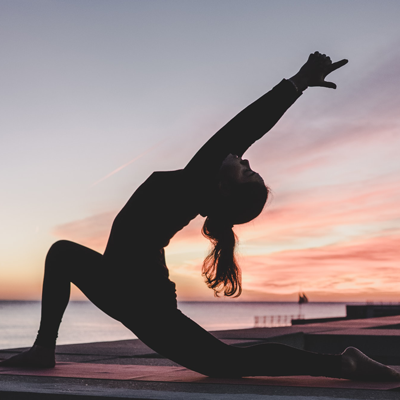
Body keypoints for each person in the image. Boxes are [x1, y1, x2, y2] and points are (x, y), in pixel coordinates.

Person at [1, 52, 399, 381]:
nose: (243, 158)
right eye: (247, 165)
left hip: (140, 297)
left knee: (225, 364)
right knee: (62, 254)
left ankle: (344, 363)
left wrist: (296, 83)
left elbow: (245, 127)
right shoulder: (197, 187)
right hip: (122, 283)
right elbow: (242, 136)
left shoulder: (197, 182)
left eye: (245, 170)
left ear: (224, 189)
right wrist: (297, 83)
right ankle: (43, 349)